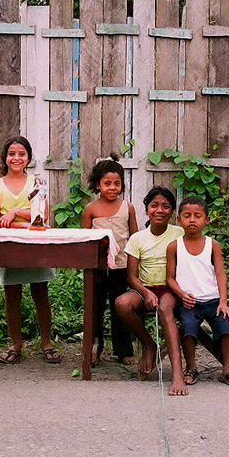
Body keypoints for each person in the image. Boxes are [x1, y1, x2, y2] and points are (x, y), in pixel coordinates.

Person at [0, 135, 60, 364]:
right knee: (12, 295)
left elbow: (43, 215)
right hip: (9, 247)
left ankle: (46, 342)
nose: (16, 158)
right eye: (11, 154)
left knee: (41, 292)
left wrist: (13, 213)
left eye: (21, 154)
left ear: (28, 157)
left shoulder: (37, 181)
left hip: (37, 246)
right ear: (4, 157)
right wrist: (24, 221)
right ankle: (16, 343)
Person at [165, 196, 229, 388]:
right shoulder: (174, 246)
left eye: (197, 216)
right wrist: (181, 294)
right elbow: (169, 278)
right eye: (187, 216)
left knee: (226, 328)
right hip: (189, 302)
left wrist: (223, 302)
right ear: (179, 220)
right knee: (188, 329)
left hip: (213, 301)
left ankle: (227, 369)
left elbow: (220, 273)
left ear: (206, 220)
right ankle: (191, 368)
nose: (192, 220)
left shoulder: (213, 245)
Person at [114, 186, 188, 396]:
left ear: (172, 211)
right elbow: (131, 276)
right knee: (122, 303)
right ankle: (149, 344)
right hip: (144, 288)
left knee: (165, 309)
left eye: (166, 206)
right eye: (154, 205)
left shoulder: (179, 233)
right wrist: (146, 293)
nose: (160, 210)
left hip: (170, 289)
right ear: (146, 210)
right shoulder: (137, 238)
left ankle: (177, 375)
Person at [81, 155, 138, 365]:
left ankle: (123, 350)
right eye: (107, 183)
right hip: (97, 267)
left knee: (120, 309)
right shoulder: (91, 209)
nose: (112, 188)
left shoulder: (128, 207)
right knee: (95, 308)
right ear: (98, 185)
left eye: (117, 183)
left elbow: (135, 238)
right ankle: (94, 348)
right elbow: (84, 239)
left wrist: (135, 267)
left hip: (122, 267)